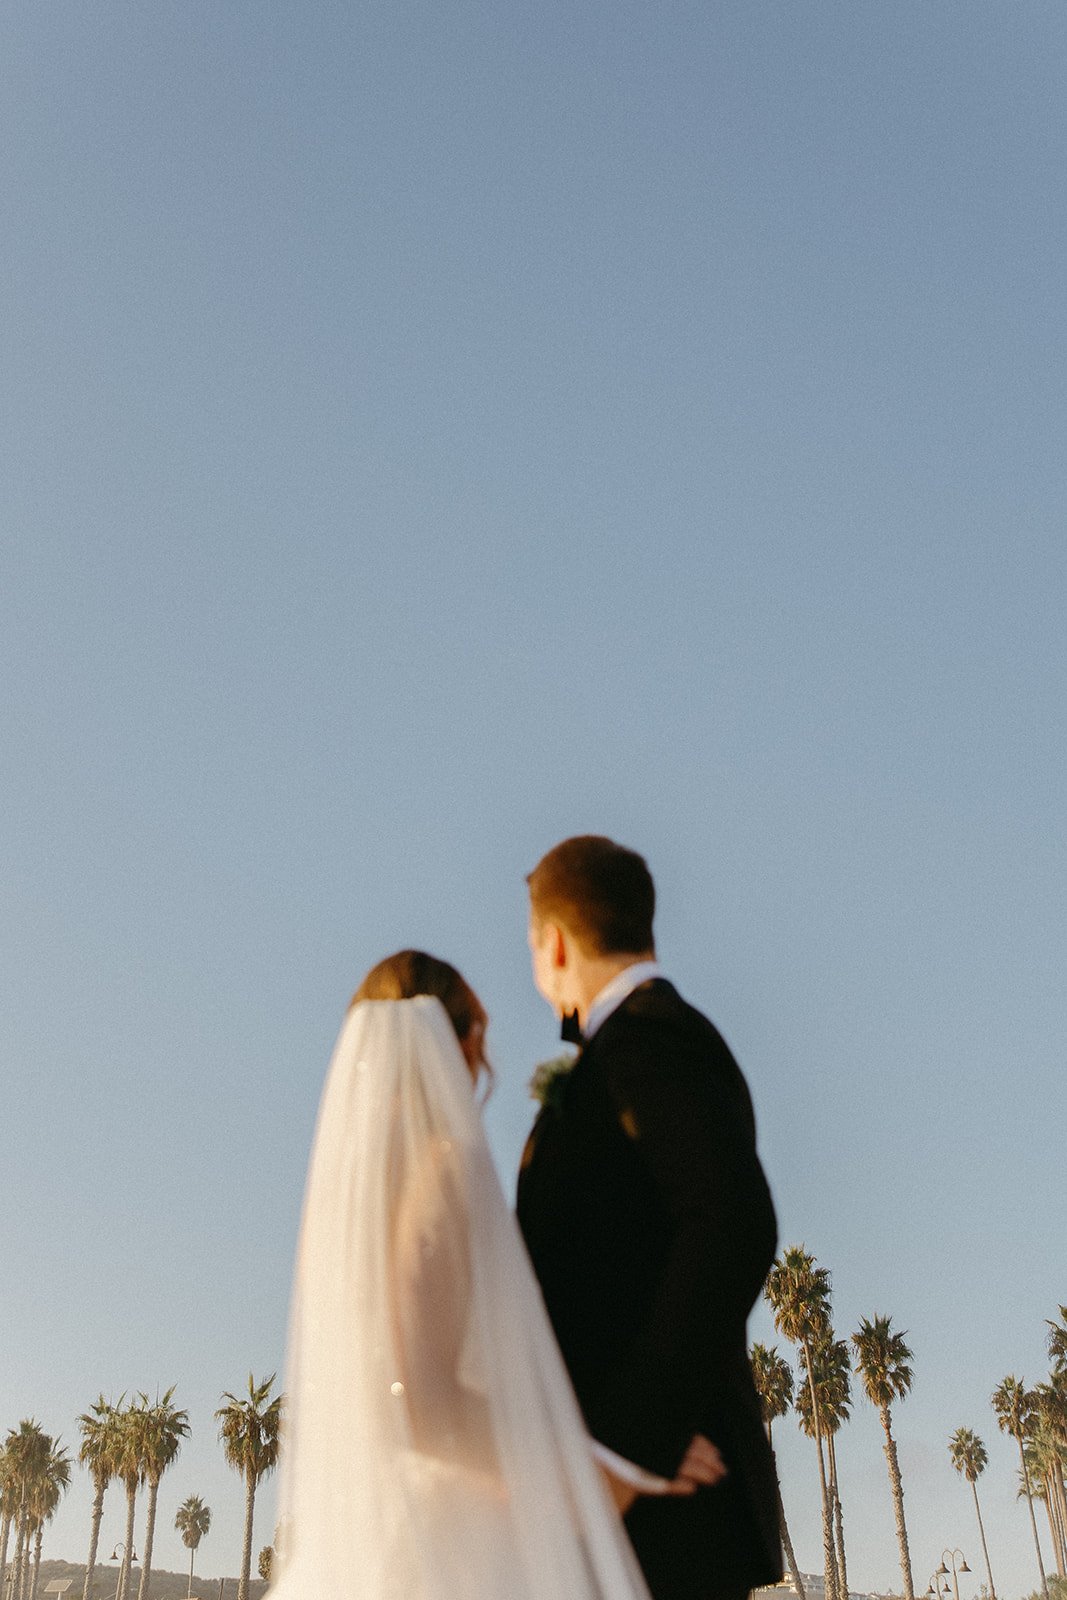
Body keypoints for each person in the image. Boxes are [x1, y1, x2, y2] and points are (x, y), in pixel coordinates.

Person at [269, 949, 660, 1600]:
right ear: (463, 1039)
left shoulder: (337, 1204)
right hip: (456, 1542)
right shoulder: (447, 1166)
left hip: (372, 1532)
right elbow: (421, 1397)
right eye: (480, 1028)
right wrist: (577, 1464)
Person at [518, 837, 783, 1600]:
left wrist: (627, 1450)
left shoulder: (649, 1038)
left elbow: (733, 1222)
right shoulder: (627, 1048)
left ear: (554, 943)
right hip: (614, 1520)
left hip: (669, 1510)